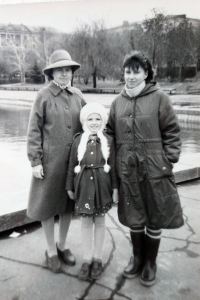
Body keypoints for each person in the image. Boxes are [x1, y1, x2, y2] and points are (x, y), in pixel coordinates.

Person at [106, 51, 184, 286]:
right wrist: (107, 158)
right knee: (134, 216)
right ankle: (137, 258)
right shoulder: (117, 102)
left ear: (146, 73)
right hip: (127, 170)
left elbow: (171, 130)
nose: (130, 76)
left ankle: (150, 262)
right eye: (127, 71)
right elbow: (109, 132)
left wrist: (168, 159)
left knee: (155, 216)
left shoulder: (160, 98)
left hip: (154, 169)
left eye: (136, 71)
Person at [27, 50, 86, 273]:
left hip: (74, 164)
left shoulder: (78, 95)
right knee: (48, 206)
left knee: (67, 206)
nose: (64, 73)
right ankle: (51, 250)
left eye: (68, 69)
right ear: (51, 73)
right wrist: (35, 161)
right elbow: (33, 131)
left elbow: (91, 122)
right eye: (60, 69)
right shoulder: (43, 96)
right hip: (49, 164)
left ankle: (62, 246)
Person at [66, 102, 118, 280]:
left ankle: (97, 258)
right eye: (90, 119)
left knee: (100, 221)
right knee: (86, 221)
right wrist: (69, 187)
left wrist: (115, 188)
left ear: (103, 121)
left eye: (98, 119)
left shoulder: (109, 140)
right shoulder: (78, 140)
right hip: (83, 185)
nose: (94, 122)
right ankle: (87, 258)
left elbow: (113, 166)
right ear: (84, 121)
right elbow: (71, 166)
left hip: (102, 185)